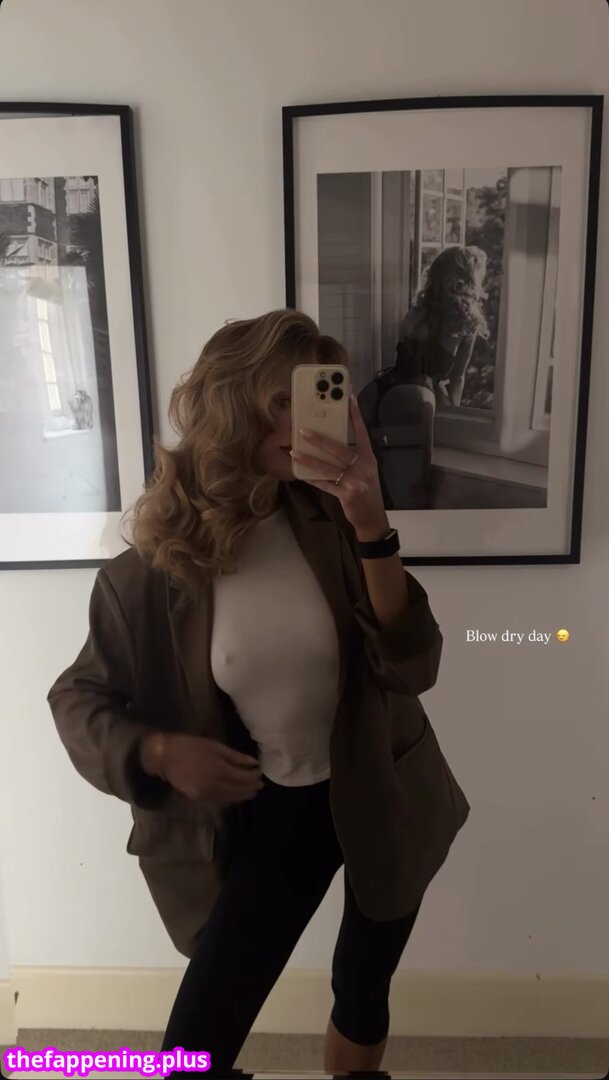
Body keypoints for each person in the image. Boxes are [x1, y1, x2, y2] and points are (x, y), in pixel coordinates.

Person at [47, 310, 469, 1079]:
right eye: (281, 401)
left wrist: (370, 519)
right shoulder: (148, 575)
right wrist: (158, 752)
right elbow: (77, 699)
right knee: (193, 1050)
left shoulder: (329, 516)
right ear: (228, 405)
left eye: (316, 397)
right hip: (275, 808)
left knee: (361, 992)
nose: (303, 422)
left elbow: (413, 665)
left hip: (383, 784)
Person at [358, 245, 489, 509]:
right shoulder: (465, 324)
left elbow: (404, 353)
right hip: (415, 392)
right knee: (405, 481)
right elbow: (457, 377)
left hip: (384, 387)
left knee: (376, 465)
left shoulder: (417, 312)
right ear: (469, 280)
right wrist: (452, 411)